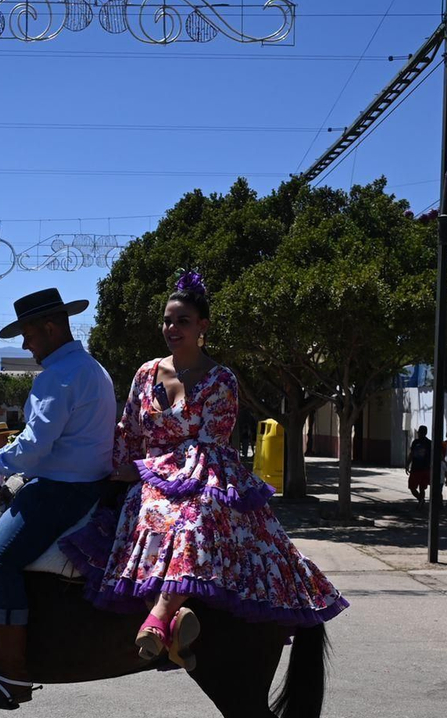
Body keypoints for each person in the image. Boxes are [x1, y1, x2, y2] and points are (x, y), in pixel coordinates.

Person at [75, 272, 347, 668]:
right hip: (151, 475)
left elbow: (207, 444)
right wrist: (120, 468)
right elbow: (129, 428)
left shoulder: (222, 380)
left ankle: (158, 618)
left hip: (205, 472)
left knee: (193, 520)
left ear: (203, 326)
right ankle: (173, 622)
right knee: (140, 514)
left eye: (182, 321)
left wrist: (146, 469)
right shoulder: (146, 373)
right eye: (167, 320)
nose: (172, 328)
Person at [0, 288, 117, 709]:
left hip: (60, 489)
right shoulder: (91, 368)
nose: (25, 344)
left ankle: (12, 671)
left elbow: (34, 446)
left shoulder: (58, 375)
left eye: (28, 334)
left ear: (50, 328)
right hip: (86, 482)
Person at [406, 425, 432, 502]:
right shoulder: (426, 443)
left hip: (421, 469)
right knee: (418, 488)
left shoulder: (424, 443)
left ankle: (421, 500)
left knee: (417, 487)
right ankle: (421, 500)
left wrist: (407, 464)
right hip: (421, 468)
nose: (420, 434)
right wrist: (407, 464)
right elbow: (412, 454)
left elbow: (411, 454)